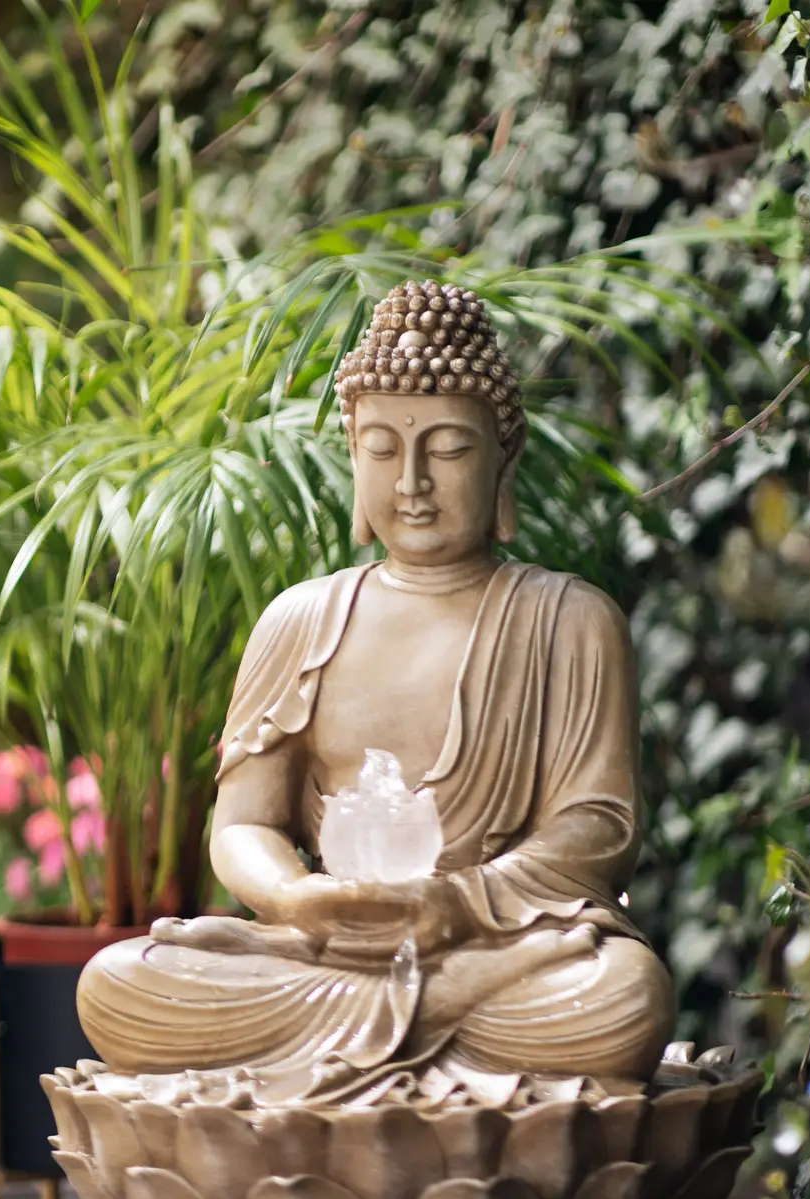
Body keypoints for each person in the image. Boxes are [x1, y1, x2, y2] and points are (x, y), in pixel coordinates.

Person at [77, 282, 675, 1105]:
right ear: (353, 456)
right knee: (119, 982)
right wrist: (295, 897)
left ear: (506, 458)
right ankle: (422, 1072)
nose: (415, 481)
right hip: (325, 954)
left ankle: (332, 1078)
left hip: (490, 954)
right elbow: (246, 821)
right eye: (384, 449)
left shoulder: (567, 619)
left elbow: (599, 828)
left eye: (450, 449)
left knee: (624, 998)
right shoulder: (302, 619)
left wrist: (461, 903)